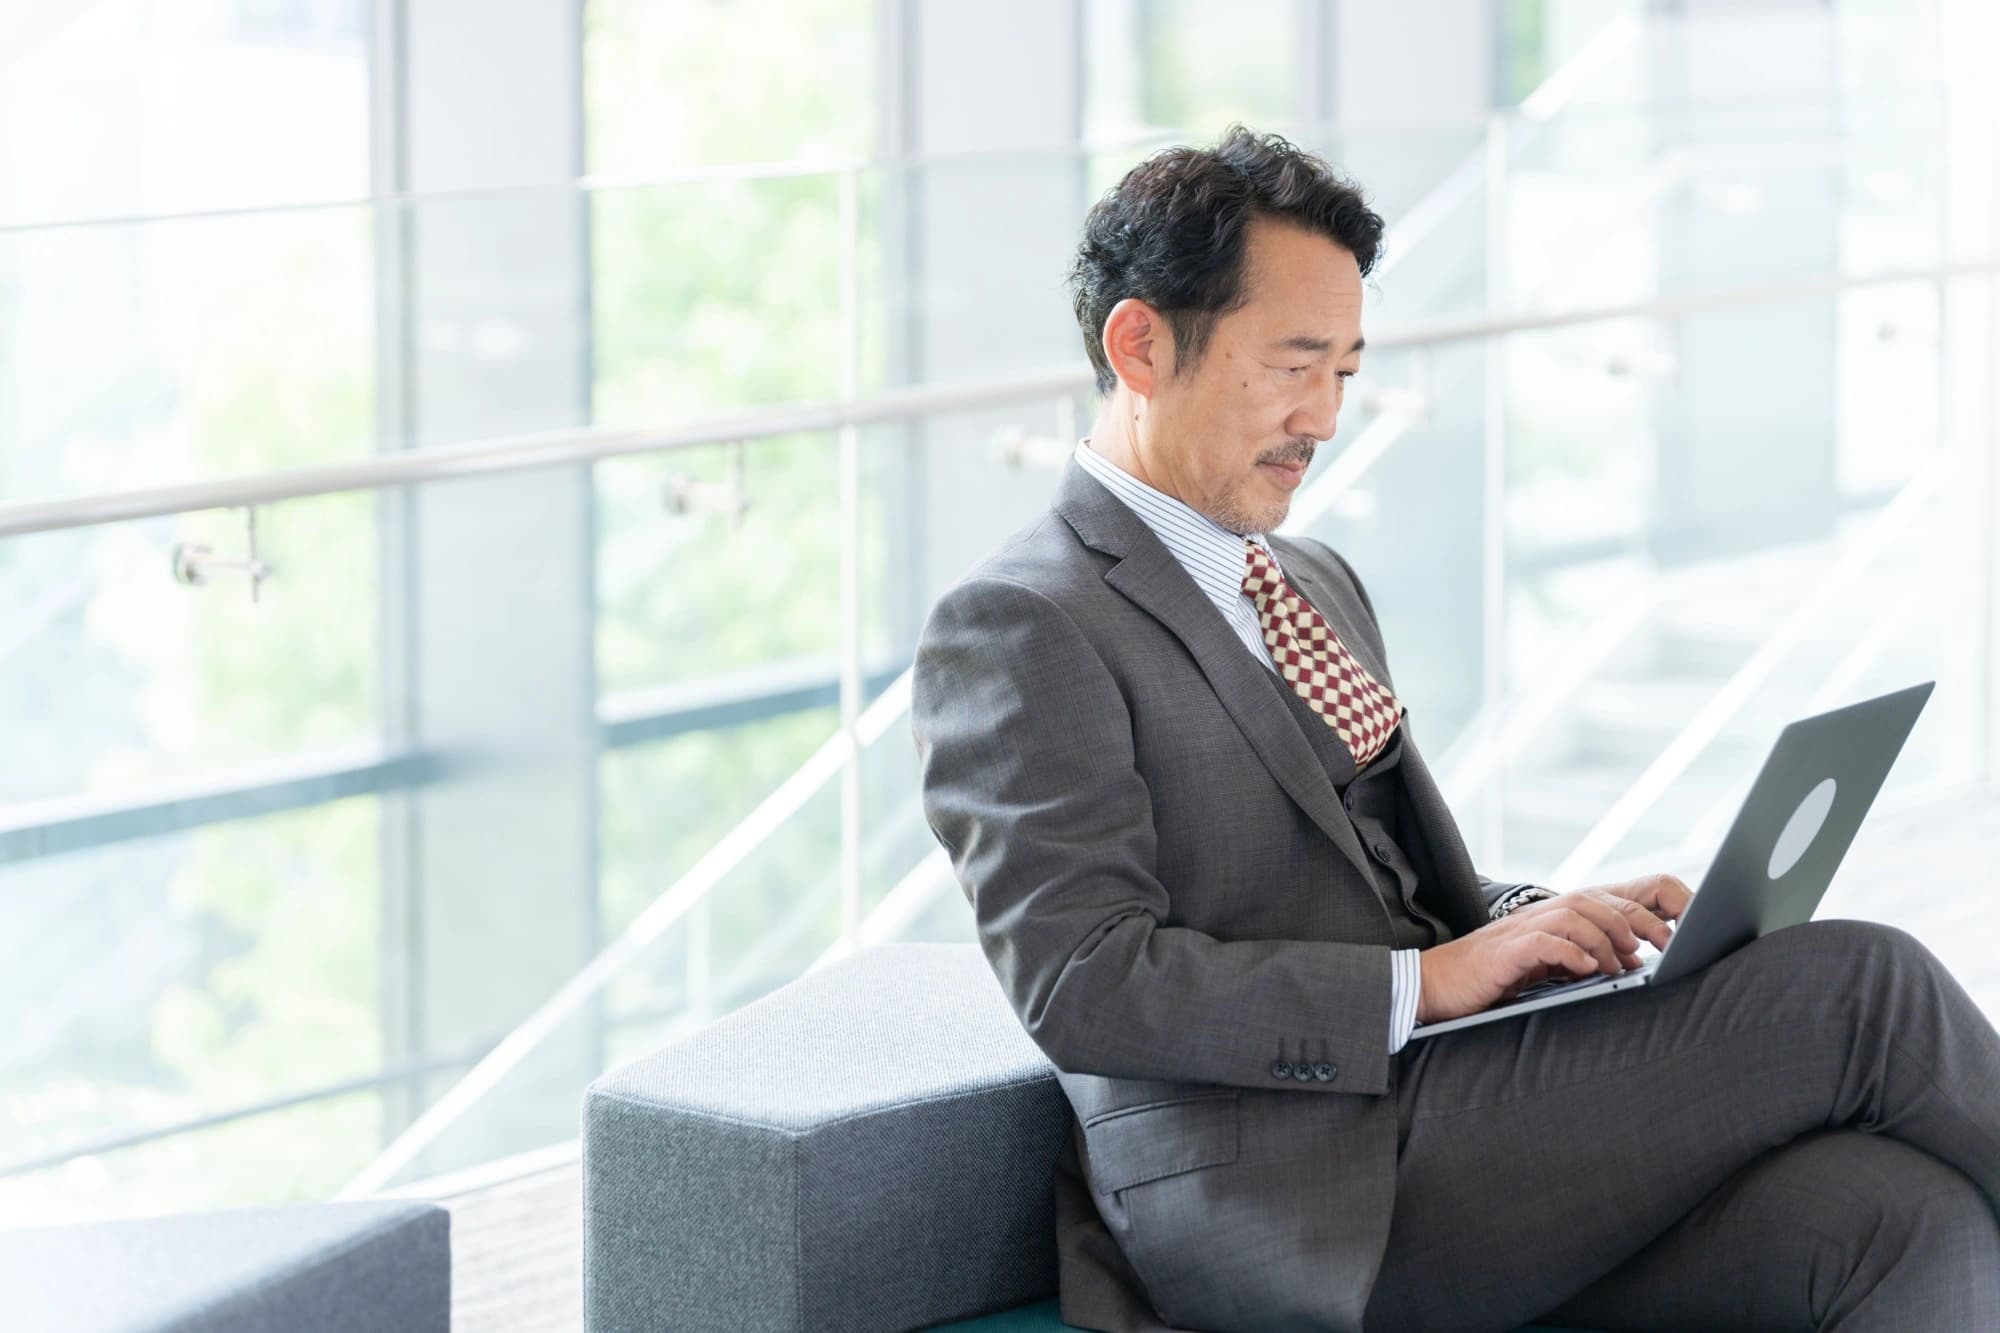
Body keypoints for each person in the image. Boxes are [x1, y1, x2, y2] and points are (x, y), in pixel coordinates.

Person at [909, 125, 2000, 1332]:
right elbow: (1084, 981)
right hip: (1282, 1194)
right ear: (1140, 343)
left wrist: (1536, 922)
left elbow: (1390, 892)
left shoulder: (1311, 579)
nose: (1321, 417)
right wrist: (1420, 985)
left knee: (1893, 1215)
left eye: (1346, 373)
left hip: (1449, 1125)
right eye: (1290, 365)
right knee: (1855, 984)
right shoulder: (1022, 622)